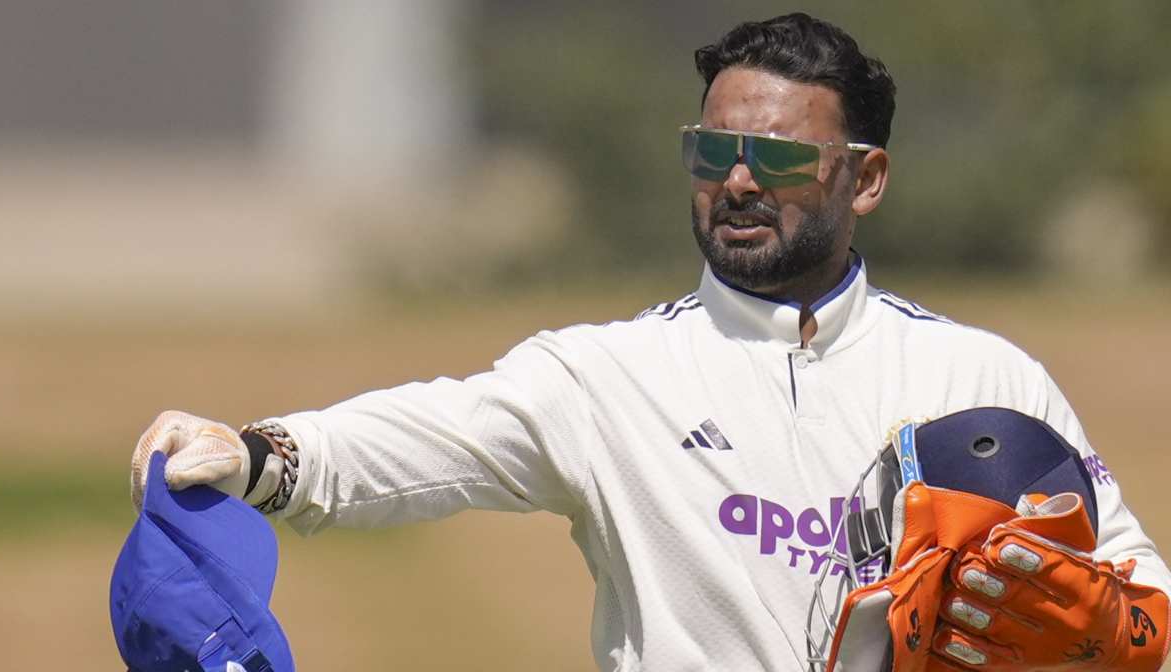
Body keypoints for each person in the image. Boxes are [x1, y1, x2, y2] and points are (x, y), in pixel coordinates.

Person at [129, 12, 1170, 671]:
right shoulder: (608, 375)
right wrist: (258, 452)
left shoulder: (983, 376)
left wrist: (1099, 633)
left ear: (869, 177)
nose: (741, 180)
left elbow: (1145, 609)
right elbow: (419, 441)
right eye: (714, 149)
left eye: (778, 156)